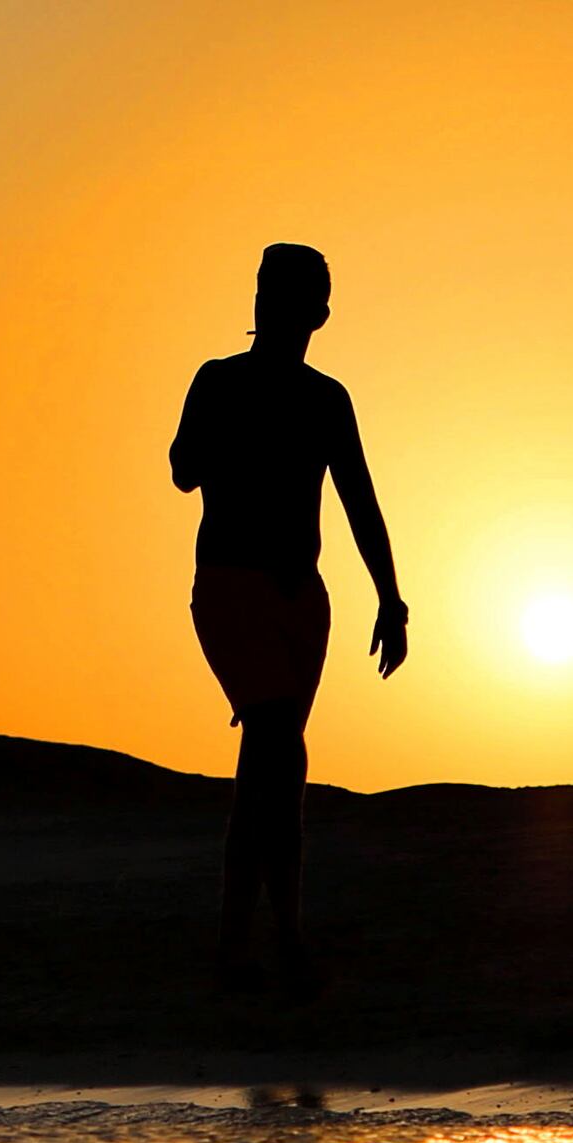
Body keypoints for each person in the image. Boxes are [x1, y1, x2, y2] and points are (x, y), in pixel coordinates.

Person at [170, 243, 409, 996]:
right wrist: (222, 430)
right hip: (231, 589)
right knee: (271, 746)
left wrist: (391, 598)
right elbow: (182, 470)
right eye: (266, 292)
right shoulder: (217, 380)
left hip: (303, 600)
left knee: (283, 765)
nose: (271, 307)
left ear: (318, 314)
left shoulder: (326, 399)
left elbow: (359, 499)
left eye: (290, 296)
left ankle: (275, 938)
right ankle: (244, 947)